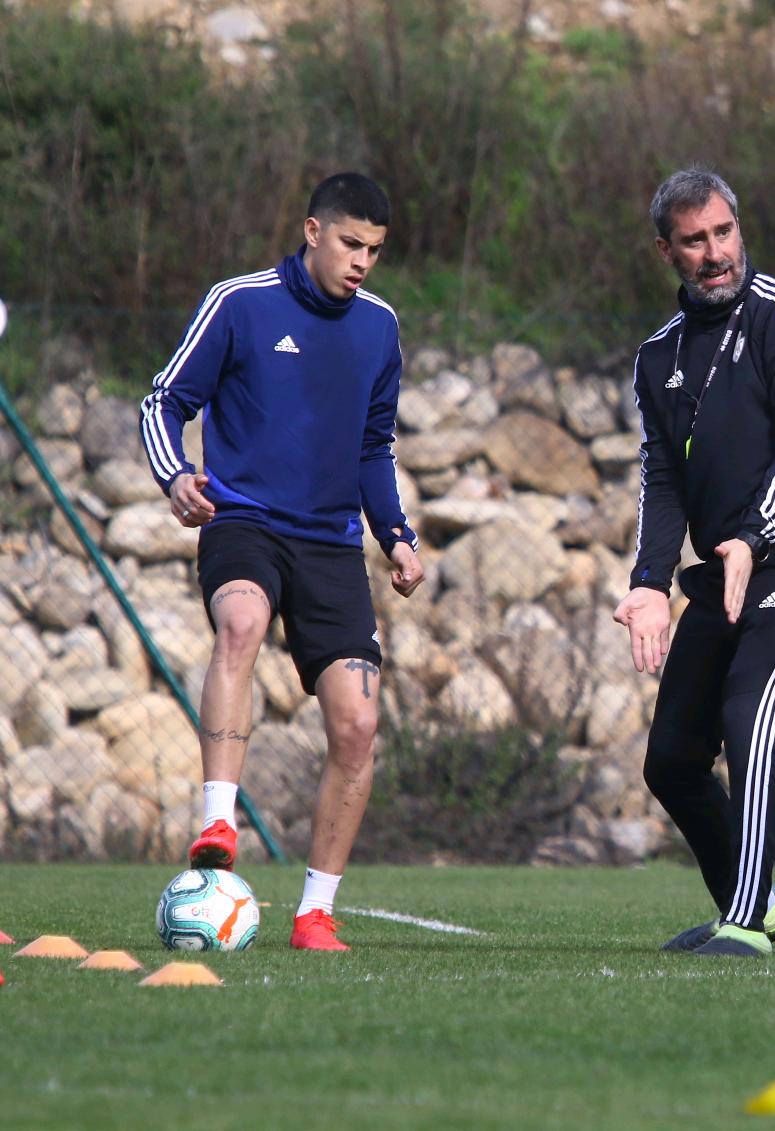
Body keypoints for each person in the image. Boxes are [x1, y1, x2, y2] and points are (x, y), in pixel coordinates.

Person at [138, 173, 425, 951]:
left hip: (332, 542)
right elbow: (162, 400)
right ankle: (218, 823)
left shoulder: (380, 328)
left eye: (375, 249)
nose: (363, 261)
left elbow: (374, 445)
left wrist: (396, 533)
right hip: (245, 520)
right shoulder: (241, 301)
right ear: (312, 231)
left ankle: (314, 914)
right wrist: (176, 477)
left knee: (359, 724)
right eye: (351, 243)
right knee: (240, 621)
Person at [615, 168, 775, 958]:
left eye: (724, 232)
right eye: (695, 240)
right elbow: (661, 474)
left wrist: (753, 535)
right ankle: (752, 903)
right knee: (673, 759)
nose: (716, 252)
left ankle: (747, 917)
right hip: (725, 568)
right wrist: (648, 583)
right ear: (667, 250)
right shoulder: (658, 356)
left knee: (751, 714)